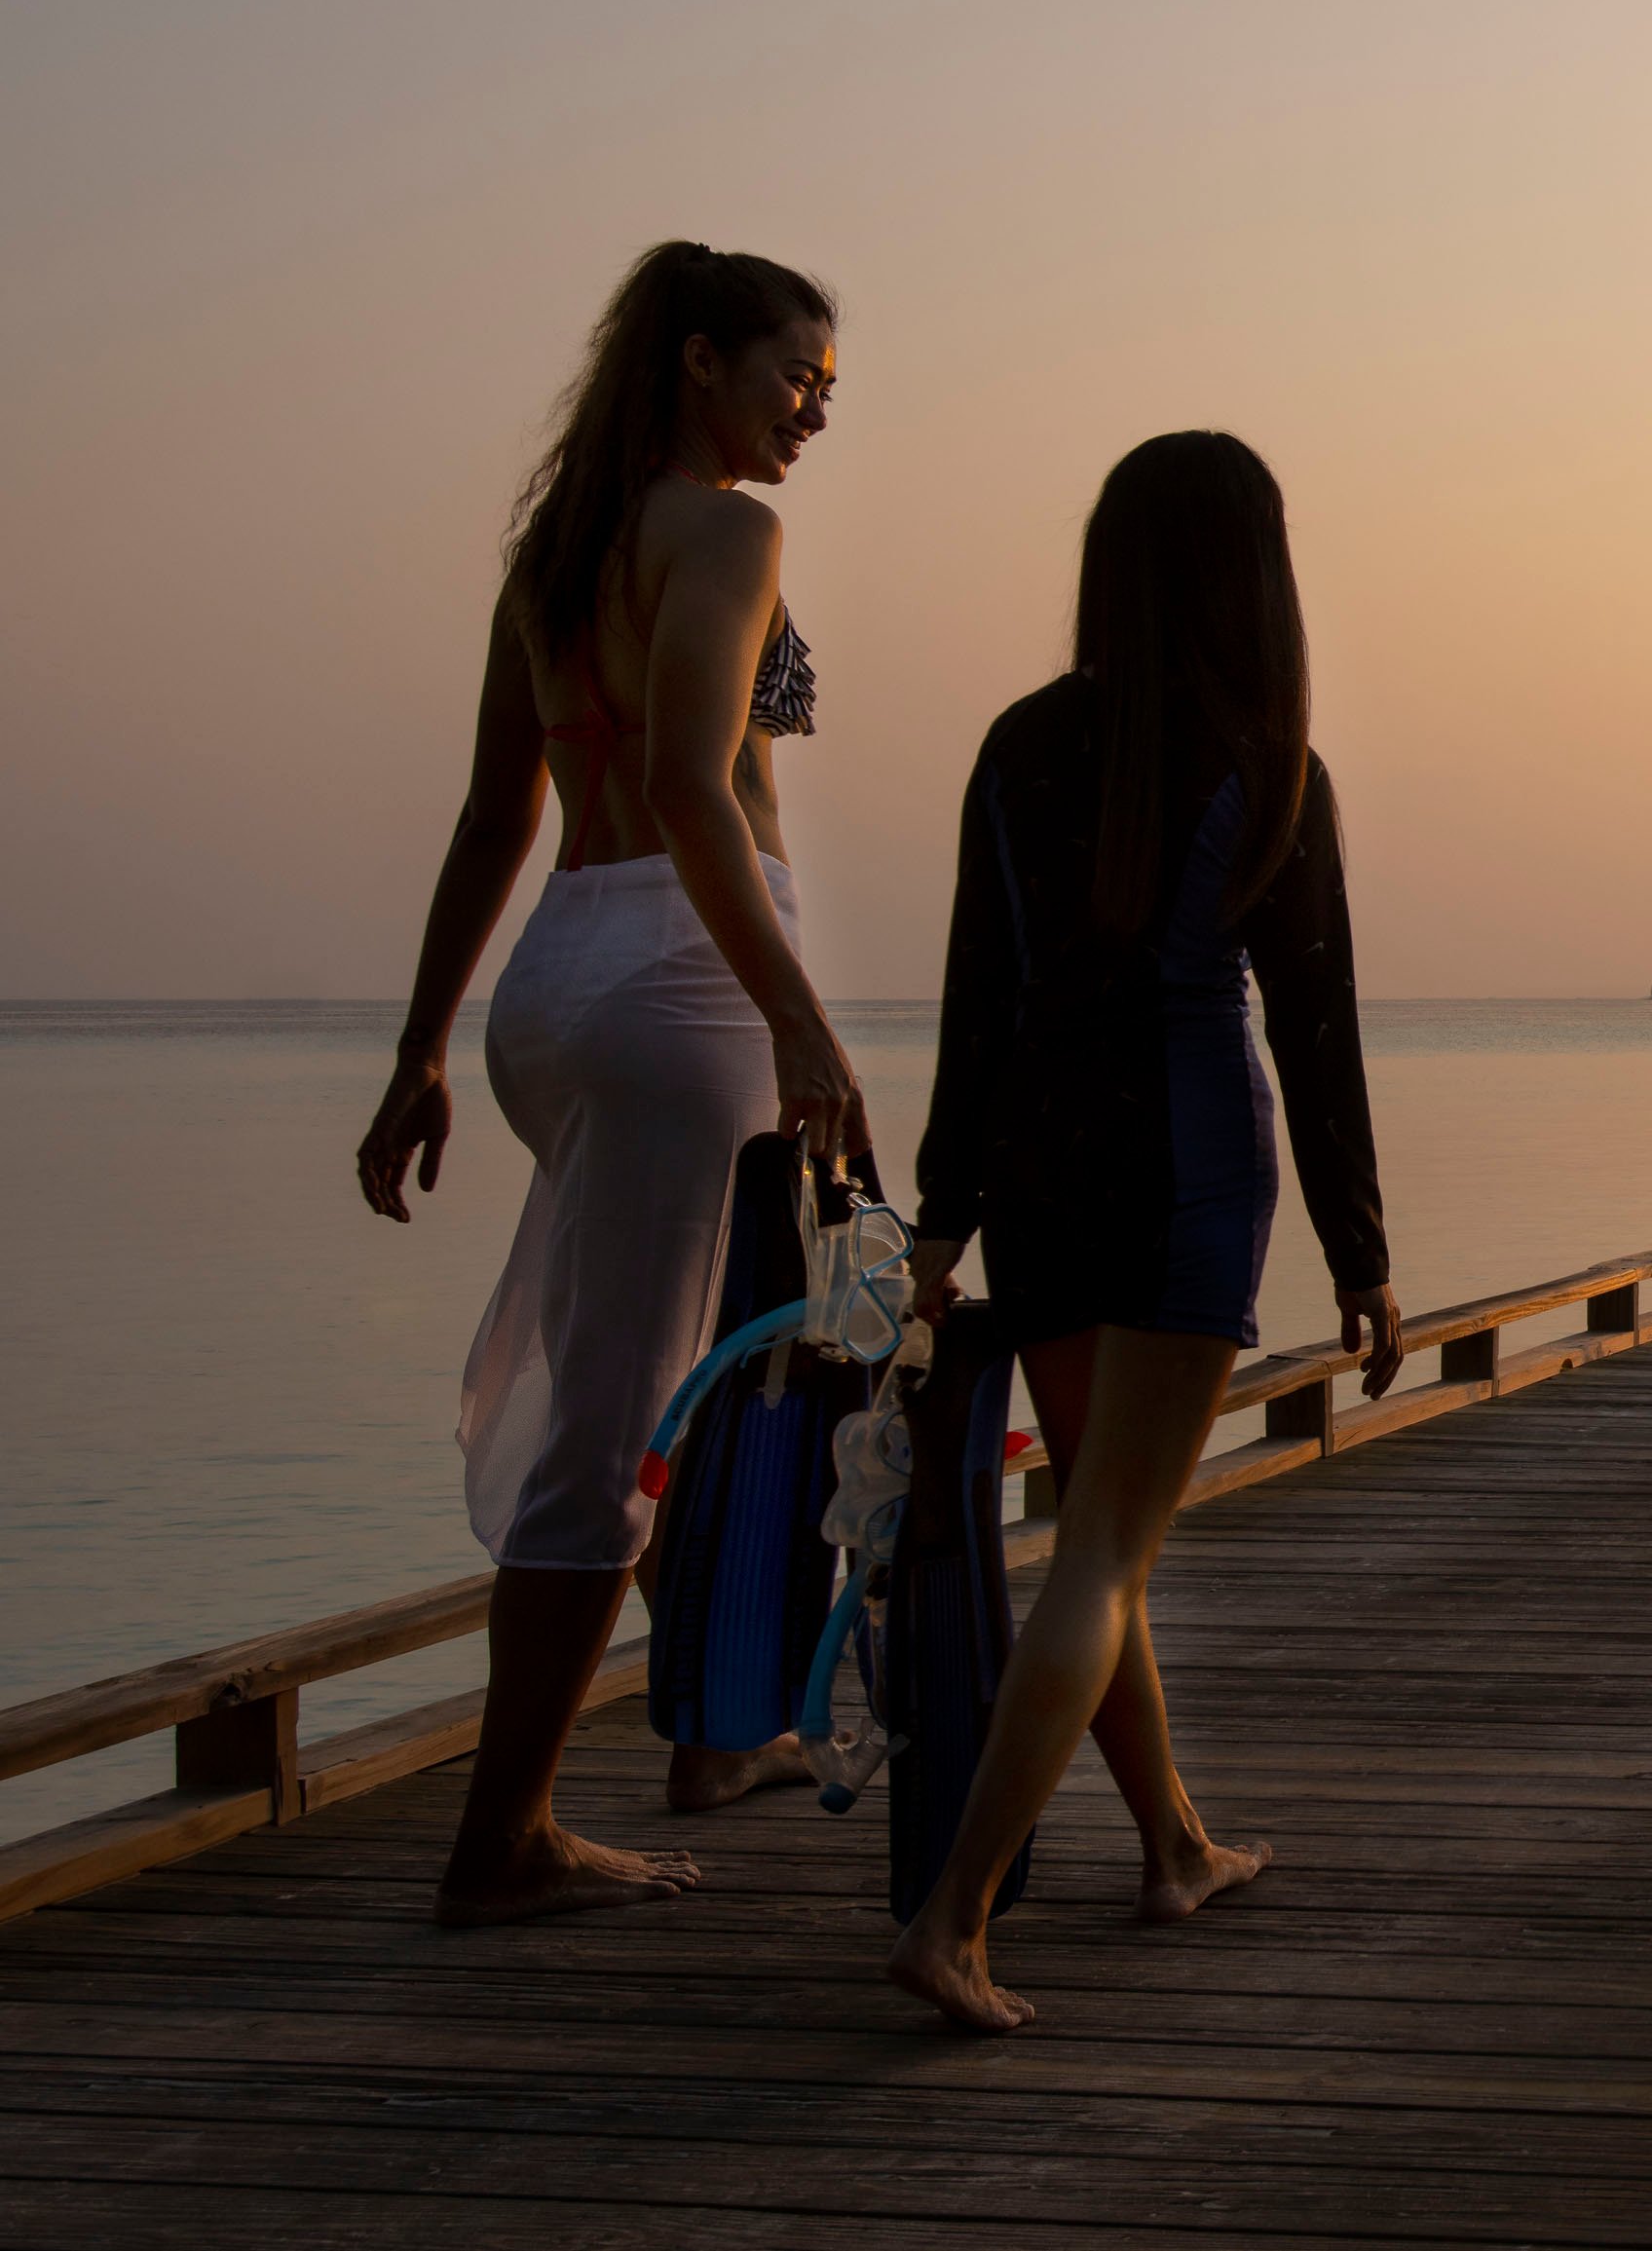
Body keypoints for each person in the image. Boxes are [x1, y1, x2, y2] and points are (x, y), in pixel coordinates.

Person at [355, 241, 865, 1923]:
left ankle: (710, 1717)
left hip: (561, 977)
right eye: (795, 374)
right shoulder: (725, 530)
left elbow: (495, 818)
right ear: (701, 360)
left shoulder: (556, 552)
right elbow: (689, 778)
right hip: (680, 977)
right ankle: (504, 1841)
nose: (813, 410)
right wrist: (797, 1014)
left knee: (659, 1384)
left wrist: (426, 1046)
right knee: (616, 1427)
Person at [890, 430, 1401, 2032]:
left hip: (1039, 1159)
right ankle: (954, 1920)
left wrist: (940, 1215)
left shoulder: (1017, 743)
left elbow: (980, 997)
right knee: (1106, 1545)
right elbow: (1315, 1030)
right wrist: (1364, 1254)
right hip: (1187, 1163)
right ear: (1253, 575)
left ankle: (1172, 1842)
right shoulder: (1267, 763)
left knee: (1102, 1546)